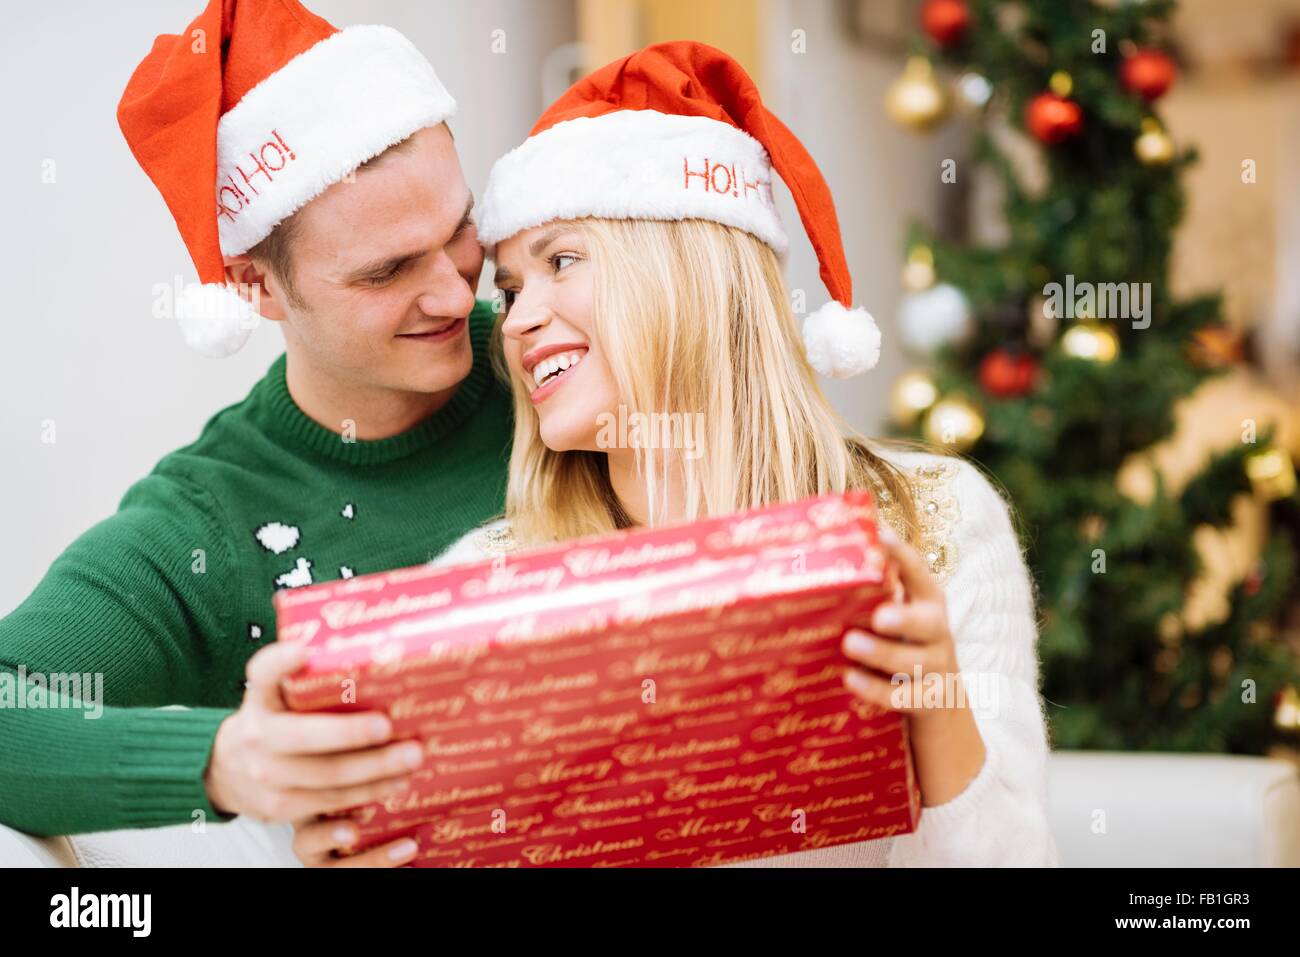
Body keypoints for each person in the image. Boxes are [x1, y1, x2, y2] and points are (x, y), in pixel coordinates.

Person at [293, 41, 1059, 867]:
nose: (514, 321)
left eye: (561, 261)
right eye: (511, 288)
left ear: (686, 271)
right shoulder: (484, 584)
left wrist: (933, 704)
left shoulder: (932, 521)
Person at [0, 0, 507, 868]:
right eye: (387, 271)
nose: (460, 295)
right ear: (257, 289)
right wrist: (224, 762)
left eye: (458, 229)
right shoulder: (212, 522)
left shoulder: (559, 359)